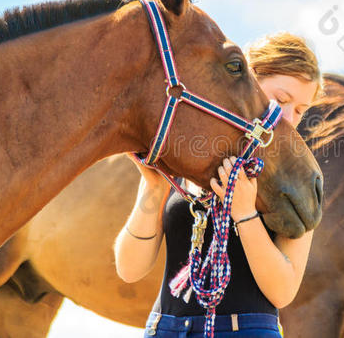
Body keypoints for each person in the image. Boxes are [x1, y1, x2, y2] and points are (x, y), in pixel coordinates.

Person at [113, 32, 322, 338]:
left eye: (301, 110)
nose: (288, 118)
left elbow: (283, 291)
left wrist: (245, 214)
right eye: (280, 100)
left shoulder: (296, 181)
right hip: (166, 330)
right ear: (246, 86)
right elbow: (129, 269)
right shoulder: (187, 159)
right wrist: (154, 188)